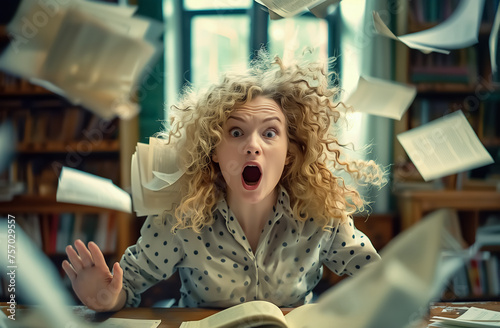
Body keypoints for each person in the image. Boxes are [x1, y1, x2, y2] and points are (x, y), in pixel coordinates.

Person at [62, 51, 386, 312]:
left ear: (290, 152)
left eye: (270, 133)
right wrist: (106, 298)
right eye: (235, 132)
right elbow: (126, 286)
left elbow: (380, 279)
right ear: (213, 150)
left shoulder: (322, 217)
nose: (253, 145)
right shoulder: (180, 219)